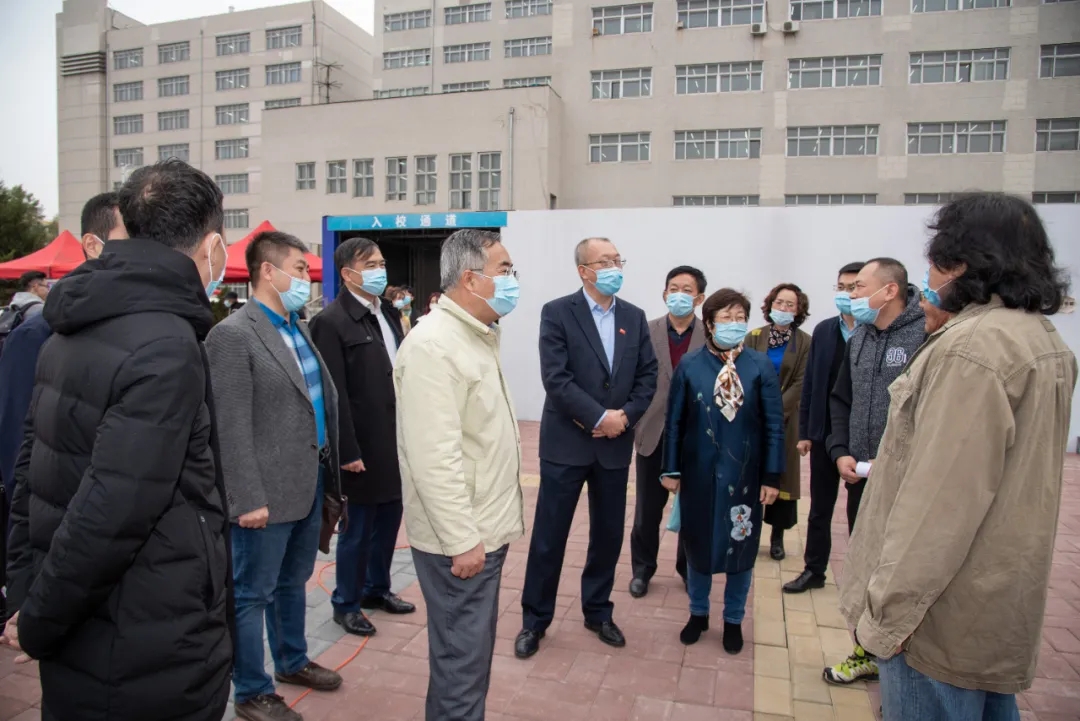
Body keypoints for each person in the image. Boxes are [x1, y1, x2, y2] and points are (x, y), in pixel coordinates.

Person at [0, 160, 232, 721]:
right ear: (212, 245)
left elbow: (30, 474)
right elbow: (112, 512)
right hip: (144, 637)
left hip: (88, 622)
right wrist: (39, 620)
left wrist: (27, 592)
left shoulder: (73, 322)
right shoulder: (165, 343)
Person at [840, 194, 1076, 720]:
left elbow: (939, 504)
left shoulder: (972, 350)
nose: (928, 272)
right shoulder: (1041, 339)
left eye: (935, 257)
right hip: (991, 600)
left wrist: (890, 614)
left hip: (935, 617)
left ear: (963, 262)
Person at [206, 230, 344, 721]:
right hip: (262, 495)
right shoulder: (233, 335)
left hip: (306, 482)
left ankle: (291, 660)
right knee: (251, 595)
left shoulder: (296, 327)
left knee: (292, 582)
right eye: (300, 269)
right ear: (268, 271)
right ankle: (250, 690)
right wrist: (245, 498)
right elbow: (229, 426)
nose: (307, 278)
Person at [395, 229, 524, 721]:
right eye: (504, 271)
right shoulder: (434, 345)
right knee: (461, 667)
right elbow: (434, 457)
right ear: (470, 280)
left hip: (481, 528)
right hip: (463, 539)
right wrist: (461, 540)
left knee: (466, 659)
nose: (513, 280)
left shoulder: (475, 336)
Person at [516, 237, 658, 658]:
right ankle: (534, 620)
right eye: (606, 261)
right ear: (584, 271)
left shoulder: (633, 316)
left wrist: (624, 418)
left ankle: (598, 611)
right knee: (549, 536)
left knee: (608, 535)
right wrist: (598, 417)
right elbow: (556, 378)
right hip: (567, 444)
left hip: (614, 446)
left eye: (618, 260)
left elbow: (648, 376)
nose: (615, 267)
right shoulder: (558, 312)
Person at [0, 193, 125, 625]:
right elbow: (18, 452)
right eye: (130, 236)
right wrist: (22, 581)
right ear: (92, 244)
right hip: (54, 538)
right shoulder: (38, 332)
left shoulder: (139, 329)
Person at [661, 288, 784, 653]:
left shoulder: (759, 365)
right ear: (710, 323)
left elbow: (774, 424)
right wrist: (670, 469)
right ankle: (698, 613)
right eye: (726, 318)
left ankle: (733, 619)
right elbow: (675, 422)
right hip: (698, 475)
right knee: (697, 547)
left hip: (745, 478)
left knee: (740, 550)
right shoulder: (690, 365)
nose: (734, 324)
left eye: (740, 317)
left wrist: (772, 476)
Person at [823, 257, 926, 686]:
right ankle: (865, 651)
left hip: (908, 481)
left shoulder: (925, 335)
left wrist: (902, 457)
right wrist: (839, 450)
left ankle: (906, 666)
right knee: (866, 565)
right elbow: (840, 398)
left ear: (889, 290)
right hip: (862, 477)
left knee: (901, 571)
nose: (850, 294)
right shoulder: (860, 337)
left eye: (859, 287)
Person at [309, 237, 414, 641]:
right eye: (370, 265)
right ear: (347, 273)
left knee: (388, 521)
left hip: (393, 439)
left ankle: (376, 588)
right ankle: (347, 603)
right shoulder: (332, 321)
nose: (379, 270)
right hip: (360, 447)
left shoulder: (385, 311)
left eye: (381, 263)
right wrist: (346, 450)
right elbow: (333, 393)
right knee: (357, 531)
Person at [783, 262, 865, 594]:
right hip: (826, 433)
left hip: (863, 434)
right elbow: (812, 385)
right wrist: (806, 432)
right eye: (841, 287)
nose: (846, 294)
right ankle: (814, 569)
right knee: (820, 508)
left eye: (854, 287)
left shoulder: (875, 331)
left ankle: (861, 578)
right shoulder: (826, 331)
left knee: (860, 511)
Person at [628, 265, 707, 598]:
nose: (679, 295)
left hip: (696, 437)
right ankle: (642, 569)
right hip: (654, 433)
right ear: (664, 294)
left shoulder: (712, 335)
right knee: (647, 509)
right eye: (674, 288)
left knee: (693, 508)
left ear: (699, 298)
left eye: (687, 290)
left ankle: (688, 569)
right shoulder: (646, 330)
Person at [746, 283, 811, 561]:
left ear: (798, 310)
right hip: (753, 415)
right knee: (750, 473)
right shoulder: (754, 337)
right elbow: (744, 372)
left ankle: (777, 538)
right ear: (770, 305)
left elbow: (801, 382)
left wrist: (773, 410)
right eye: (779, 303)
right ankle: (746, 533)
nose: (783, 308)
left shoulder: (805, 342)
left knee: (782, 475)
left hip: (786, 419)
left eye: (790, 304)